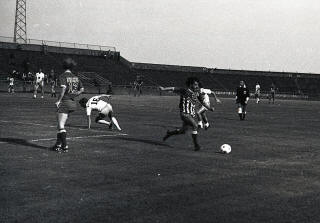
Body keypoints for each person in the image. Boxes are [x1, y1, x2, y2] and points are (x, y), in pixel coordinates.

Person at [159, 77, 214, 151]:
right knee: (195, 125)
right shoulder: (185, 90)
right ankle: (196, 146)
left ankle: (169, 133)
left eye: (197, 85)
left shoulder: (197, 93)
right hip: (184, 114)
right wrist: (163, 89)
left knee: (183, 131)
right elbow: (173, 88)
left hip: (191, 115)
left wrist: (210, 108)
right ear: (191, 85)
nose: (196, 86)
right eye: (195, 84)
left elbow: (203, 102)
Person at [51, 58, 84, 153]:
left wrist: (58, 101)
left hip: (65, 102)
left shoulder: (63, 76)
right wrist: (74, 94)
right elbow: (82, 89)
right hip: (72, 103)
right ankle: (58, 145)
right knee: (60, 125)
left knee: (61, 125)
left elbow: (63, 89)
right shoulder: (76, 77)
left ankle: (65, 145)